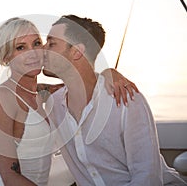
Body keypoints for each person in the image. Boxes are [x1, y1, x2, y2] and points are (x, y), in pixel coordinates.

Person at [0, 17, 138, 186]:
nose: (33, 53)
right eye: (21, 47)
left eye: (36, 43)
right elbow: (9, 177)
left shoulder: (42, 93)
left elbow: (80, 83)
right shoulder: (1, 97)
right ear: (6, 57)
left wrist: (109, 73)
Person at [43, 15, 187, 185]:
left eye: (51, 44)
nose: (42, 49)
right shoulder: (54, 106)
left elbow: (148, 178)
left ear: (76, 52)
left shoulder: (125, 99)